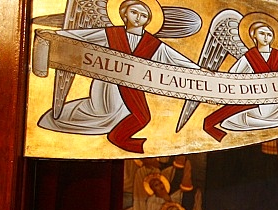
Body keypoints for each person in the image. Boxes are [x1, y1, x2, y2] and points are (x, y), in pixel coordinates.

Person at [38, 0, 200, 153]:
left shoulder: (152, 43)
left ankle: (117, 135)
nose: (138, 18)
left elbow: (177, 59)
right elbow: (82, 36)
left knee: (141, 117)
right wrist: (54, 35)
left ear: (148, 20)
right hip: (105, 85)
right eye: (134, 12)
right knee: (101, 111)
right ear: (124, 14)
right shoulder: (111, 34)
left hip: (132, 91)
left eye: (143, 15)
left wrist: (200, 71)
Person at [203, 19, 278, 141]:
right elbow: (231, 78)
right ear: (254, 36)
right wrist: (213, 78)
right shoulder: (249, 58)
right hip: (256, 102)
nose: (266, 37)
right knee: (231, 121)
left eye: (269, 35)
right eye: (262, 33)